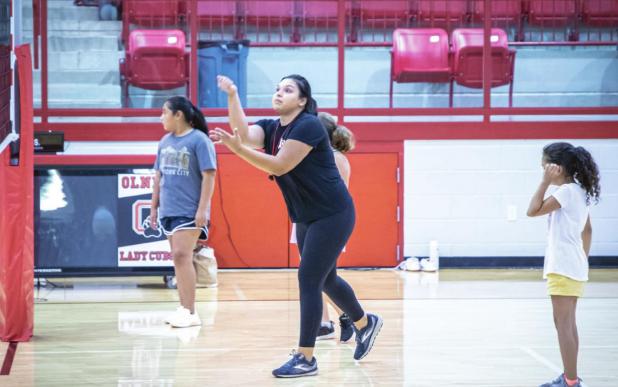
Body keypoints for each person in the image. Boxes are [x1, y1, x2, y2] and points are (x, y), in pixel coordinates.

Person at [210, 74, 382, 378]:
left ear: (302, 100)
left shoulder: (309, 125)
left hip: (333, 213)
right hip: (305, 215)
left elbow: (279, 165)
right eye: (277, 88)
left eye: (288, 89)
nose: (279, 92)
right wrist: (233, 96)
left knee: (308, 278)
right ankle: (364, 323)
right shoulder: (272, 126)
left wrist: (236, 150)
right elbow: (242, 133)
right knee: (326, 280)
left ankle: (305, 357)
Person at [526, 142, 600, 387]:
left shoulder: (567, 191)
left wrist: (544, 182)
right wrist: (582, 260)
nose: (542, 167)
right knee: (568, 325)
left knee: (563, 327)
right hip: (574, 266)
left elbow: (532, 211)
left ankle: (570, 382)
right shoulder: (580, 191)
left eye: (545, 165)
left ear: (556, 167)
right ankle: (570, 377)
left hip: (563, 267)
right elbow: (587, 230)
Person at [150, 96, 217, 328]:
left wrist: (202, 209)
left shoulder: (200, 140)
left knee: (182, 256)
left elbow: (209, 175)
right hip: (169, 209)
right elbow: (158, 176)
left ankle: (190, 312)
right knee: (177, 260)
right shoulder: (164, 141)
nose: (161, 117)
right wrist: (153, 207)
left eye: (164, 112)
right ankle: (183, 308)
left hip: (189, 210)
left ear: (178, 115)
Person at [313, 112, 356, 343]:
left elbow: (330, 194)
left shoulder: (334, 157)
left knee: (319, 275)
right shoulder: (321, 155)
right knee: (318, 275)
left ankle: (347, 316)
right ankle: (326, 322)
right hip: (312, 219)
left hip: (328, 221)